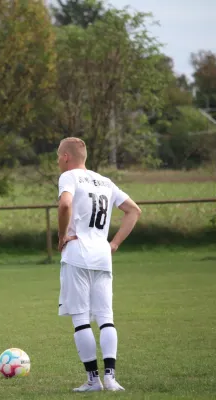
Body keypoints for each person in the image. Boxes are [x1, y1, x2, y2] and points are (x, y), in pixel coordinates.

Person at [55, 137, 141, 392]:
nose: (58, 161)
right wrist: (113, 244)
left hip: (77, 254)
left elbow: (65, 203)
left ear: (66, 157)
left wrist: (61, 236)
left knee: (81, 319)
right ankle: (111, 379)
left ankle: (93, 380)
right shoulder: (105, 181)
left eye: (59, 156)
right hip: (102, 255)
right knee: (106, 318)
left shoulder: (69, 177)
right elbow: (134, 210)